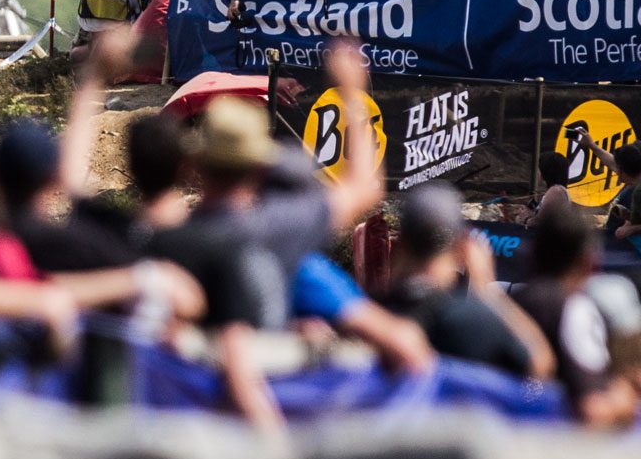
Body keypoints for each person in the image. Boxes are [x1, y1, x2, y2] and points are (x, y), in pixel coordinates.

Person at [147, 41, 383, 438]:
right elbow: (363, 186)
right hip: (270, 407)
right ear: (260, 164)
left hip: (186, 423)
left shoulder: (168, 243)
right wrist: (352, 93)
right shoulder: (282, 226)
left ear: (197, 165)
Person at [374, 183, 550, 379]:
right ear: (461, 248)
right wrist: (488, 291)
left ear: (399, 244)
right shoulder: (474, 321)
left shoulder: (369, 314)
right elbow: (538, 366)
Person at [513, 204, 637, 429]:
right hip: (560, 443)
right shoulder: (574, 309)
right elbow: (593, 409)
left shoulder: (511, 304)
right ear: (590, 263)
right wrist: (626, 394)